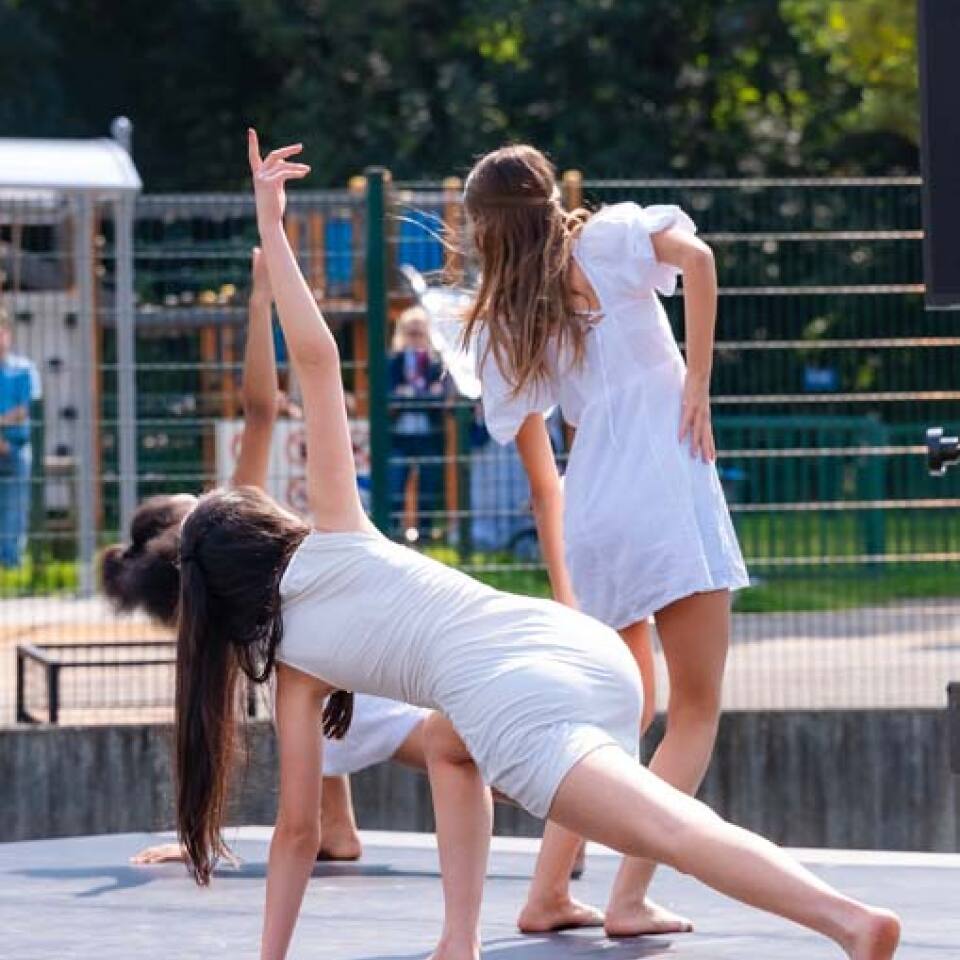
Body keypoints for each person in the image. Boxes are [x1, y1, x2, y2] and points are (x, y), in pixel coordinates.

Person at [171, 130, 900, 960]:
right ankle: (464, 938)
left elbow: (297, 833)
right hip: (572, 640)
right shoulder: (337, 527)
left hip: (532, 659)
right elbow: (316, 358)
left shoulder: (295, 669)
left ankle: (844, 921)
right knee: (457, 742)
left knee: (665, 818)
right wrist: (270, 223)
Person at [463, 143, 750, 936]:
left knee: (610, 720)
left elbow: (540, 454)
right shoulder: (610, 237)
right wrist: (698, 380)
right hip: (664, 492)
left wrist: (564, 573)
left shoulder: (512, 314)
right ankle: (628, 896)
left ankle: (548, 892)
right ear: (551, 194)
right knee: (694, 710)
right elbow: (698, 258)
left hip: (596, 506)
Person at [100, 247, 429, 864]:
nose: (204, 494)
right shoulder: (220, 535)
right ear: (182, 537)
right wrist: (258, 303)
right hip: (338, 654)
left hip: (326, 665)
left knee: (437, 745)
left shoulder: (214, 609)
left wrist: (195, 838)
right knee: (461, 748)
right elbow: (260, 411)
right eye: (191, 500)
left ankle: (337, 826)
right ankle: (580, 806)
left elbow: (206, 729)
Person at [388, 306, 445, 540]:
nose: (415, 338)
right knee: (395, 484)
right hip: (399, 435)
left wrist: (412, 396)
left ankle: (425, 534)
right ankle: (392, 532)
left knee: (428, 486)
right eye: (411, 333)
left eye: (420, 333)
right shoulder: (393, 361)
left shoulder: (436, 364)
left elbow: (440, 397)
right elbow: (389, 396)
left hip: (429, 434)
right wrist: (421, 396)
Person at [0, 308, 41, 568]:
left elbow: (29, 408)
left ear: (8, 334)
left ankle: (10, 561)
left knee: (16, 505)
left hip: (16, 446)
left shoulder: (24, 369)